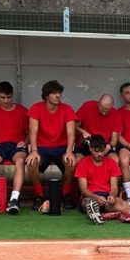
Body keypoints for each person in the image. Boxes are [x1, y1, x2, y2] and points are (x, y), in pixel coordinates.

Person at [26, 80, 78, 211]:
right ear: (46, 95)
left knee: (71, 163)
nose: (58, 96)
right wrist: (33, 150)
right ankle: (39, 196)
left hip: (62, 147)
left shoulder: (67, 109)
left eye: (59, 93)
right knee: (32, 163)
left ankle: (65, 195)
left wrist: (69, 151)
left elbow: (71, 133)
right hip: (42, 147)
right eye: (54, 93)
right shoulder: (36, 107)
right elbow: (33, 131)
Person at [75, 135, 130, 225]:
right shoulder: (82, 163)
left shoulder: (111, 163)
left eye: (102, 151)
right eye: (96, 151)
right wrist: (96, 198)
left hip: (106, 197)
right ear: (90, 149)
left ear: (105, 149)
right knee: (89, 203)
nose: (100, 154)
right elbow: (83, 189)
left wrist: (112, 196)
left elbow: (114, 187)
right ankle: (95, 213)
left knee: (122, 204)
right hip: (90, 196)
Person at [0, 81, 29, 214]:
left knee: (20, 161)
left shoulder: (22, 111)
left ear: (12, 95)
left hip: (16, 145)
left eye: (8, 97)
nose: (6, 100)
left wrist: (25, 143)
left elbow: (30, 133)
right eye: (3, 97)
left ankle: (14, 199)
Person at [75, 94, 121, 162]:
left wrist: (108, 147)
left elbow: (114, 139)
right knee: (79, 160)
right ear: (98, 103)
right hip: (85, 144)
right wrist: (83, 132)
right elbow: (72, 126)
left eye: (107, 111)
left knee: (115, 160)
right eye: (102, 110)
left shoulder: (116, 114)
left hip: (104, 146)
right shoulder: (88, 106)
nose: (104, 113)